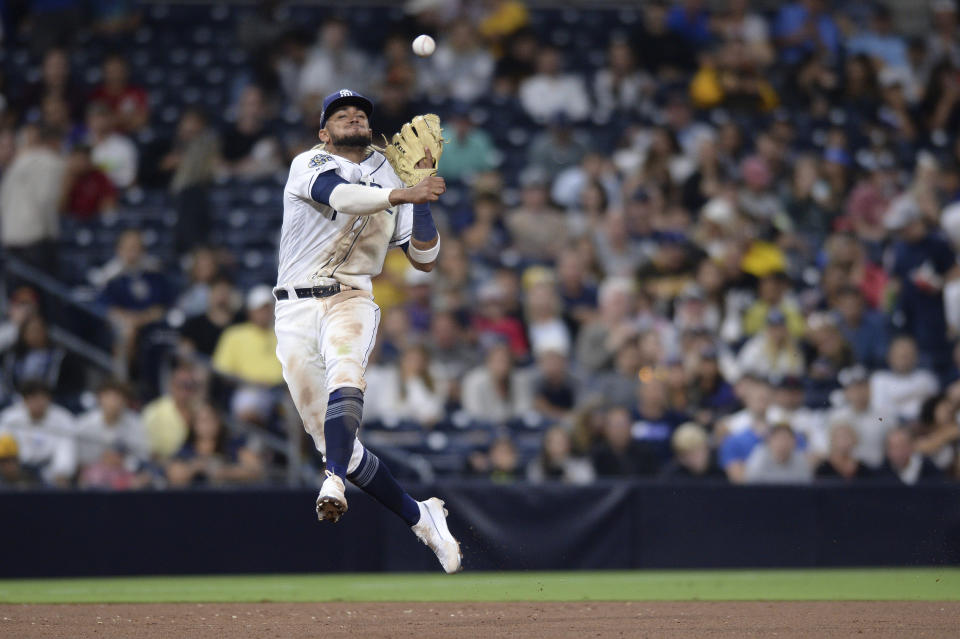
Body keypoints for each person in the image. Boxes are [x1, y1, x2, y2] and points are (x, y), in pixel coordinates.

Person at [271, 89, 461, 572]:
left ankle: (331, 480)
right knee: (337, 443)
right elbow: (340, 196)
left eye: (359, 113)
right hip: (294, 309)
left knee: (346, 371)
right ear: (323, 132)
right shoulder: (308, 163)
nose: (353, 117)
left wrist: (420, 192)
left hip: (350, 296)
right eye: (340, 114)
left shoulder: (393, 174)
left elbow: (424, 258)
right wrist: (403, 191)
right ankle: (422, 517)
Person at [0, 381, 77, 487]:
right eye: (33, 397)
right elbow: (4, 449)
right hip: (18, 470)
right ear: (25, 400)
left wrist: (61, 472)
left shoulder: (63, 419)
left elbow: (65, 453)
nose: (38, 402)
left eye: (42, 397)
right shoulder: (9, 418)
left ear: (49, 399)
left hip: (50, 473)